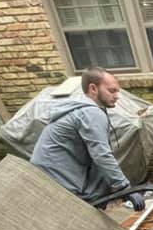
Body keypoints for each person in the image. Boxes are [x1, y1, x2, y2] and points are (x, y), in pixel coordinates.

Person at [31, 67, 145, 210]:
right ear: (93, 89)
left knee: (102, 181)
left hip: (47, 170)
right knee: (88, 203)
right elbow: (101, 155)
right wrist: (125, 188)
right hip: (55, 175)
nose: (117, 96)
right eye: (112, 91)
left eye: (117, 91)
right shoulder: (90, 112)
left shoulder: (81, 107)